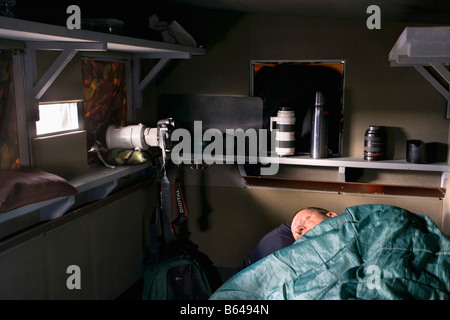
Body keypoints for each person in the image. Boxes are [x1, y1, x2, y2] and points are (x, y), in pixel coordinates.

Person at [238, 207, 337, 270]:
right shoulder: (284, 250)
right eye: (297, 233)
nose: (298, 229)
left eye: (306, 219)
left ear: (331, 215)